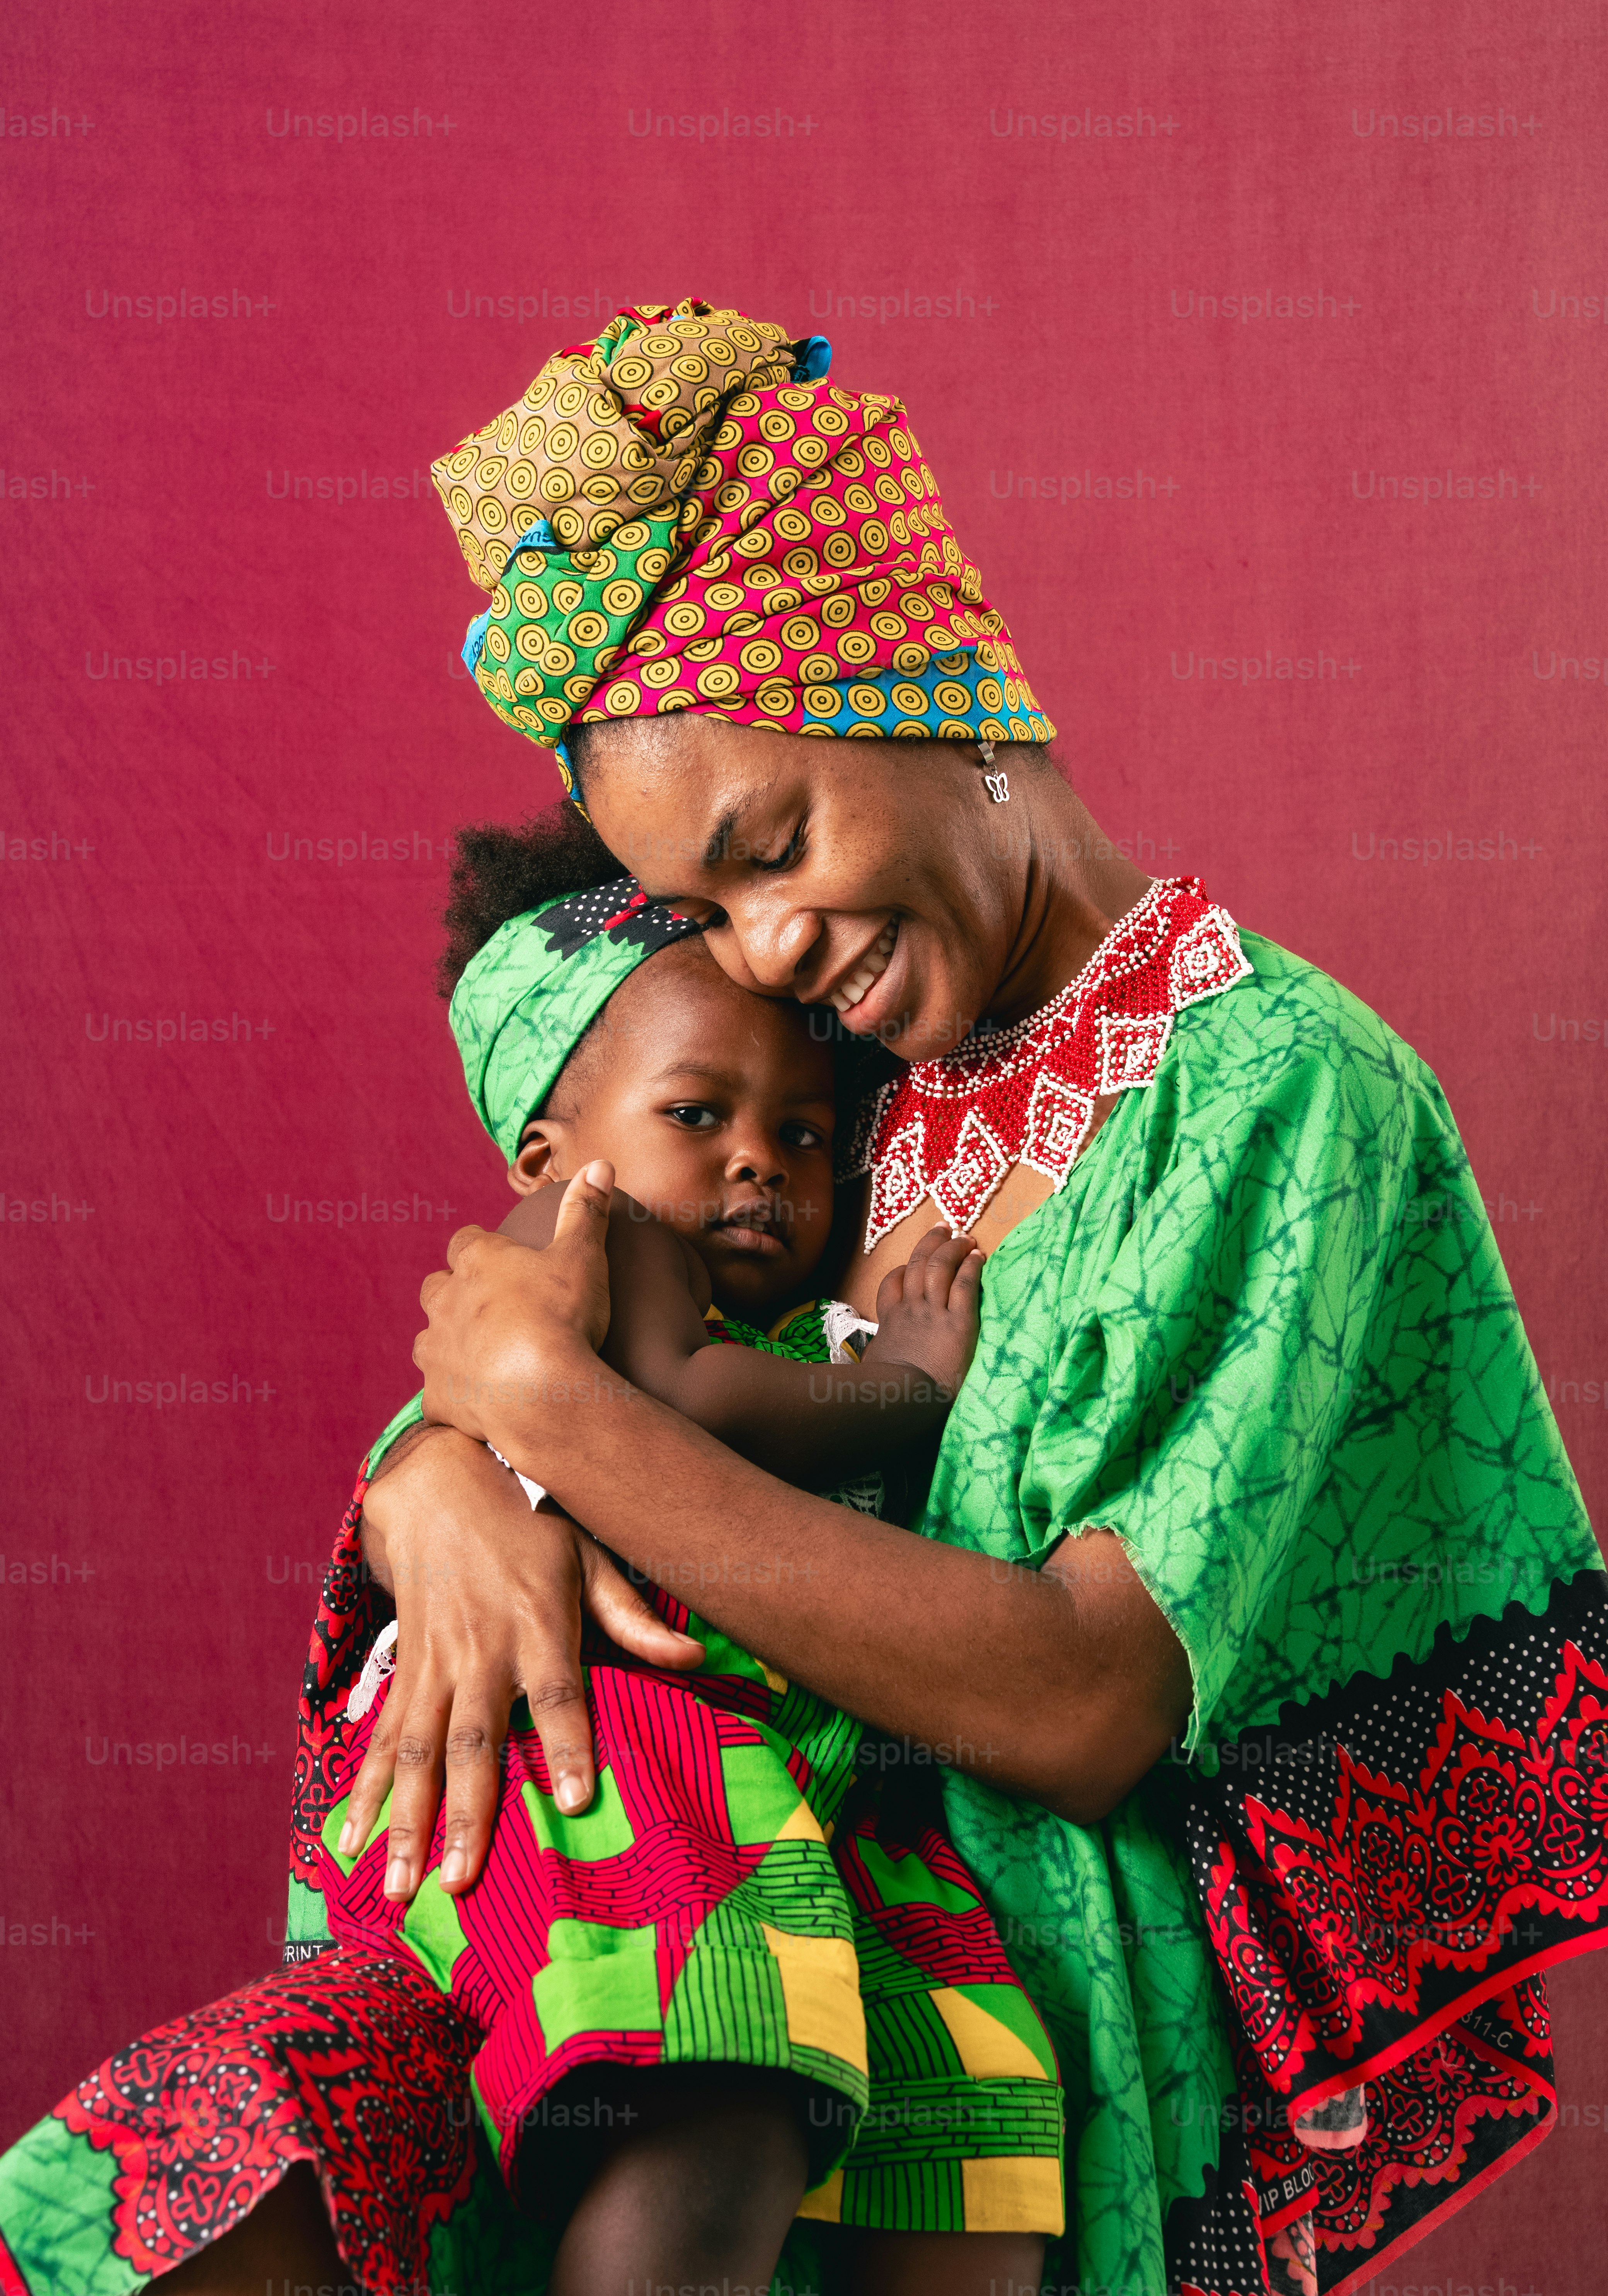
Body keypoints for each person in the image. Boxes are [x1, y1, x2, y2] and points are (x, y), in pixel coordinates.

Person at [3, 299, 1604, 2296]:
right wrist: (445, 1478)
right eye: (714, 906)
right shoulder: (860, 1095)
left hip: (1009, 2090)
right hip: (681, 1951)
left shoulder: (1288, 1093)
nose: (765, 947)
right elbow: (621, 1323)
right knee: (195, 2198)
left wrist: (564, 1432)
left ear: (941, 688)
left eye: (773, 848)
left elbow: (1089, 1695)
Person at [318, 829, 1066, 2296]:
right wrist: (910, 1388)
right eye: (697, 1111)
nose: (757, 1163)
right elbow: (683, 1398)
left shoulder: (768, 1302)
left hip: (787, 1780)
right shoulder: (596, 1238)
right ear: (554, 1147)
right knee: (713, 2106)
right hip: (597, 1753)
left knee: (974, 2114)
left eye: (803, 1134)